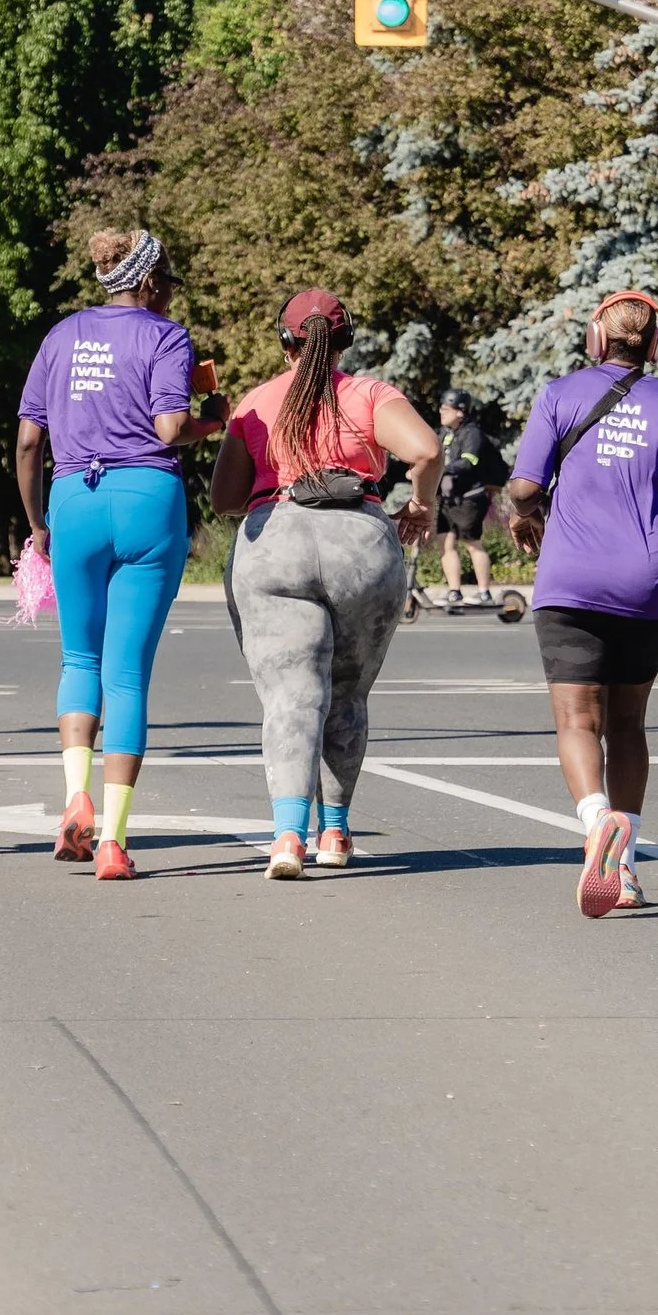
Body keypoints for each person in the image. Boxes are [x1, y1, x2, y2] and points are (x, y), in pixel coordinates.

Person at [506, 291, 658, 918]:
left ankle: (595, 819)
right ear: (654, 344)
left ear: (596, 339)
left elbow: (526, 486)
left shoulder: (560, 395)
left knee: (579, 722)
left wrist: (523, 516)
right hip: (648, 582)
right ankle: (625, 867)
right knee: (629, 722)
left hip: (571, 580)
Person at [14, 228, 227, 880]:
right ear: (152, 279)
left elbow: (28, 442)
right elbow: (169, 427)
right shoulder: (165, 335)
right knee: (126, 672)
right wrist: (211, 422)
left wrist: (38, 523)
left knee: (79, 655)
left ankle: (73, 795)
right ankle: (112, 839)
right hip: (146, 497)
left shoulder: (61, 336)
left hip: (75, 494)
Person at [212, 290, 441, 878]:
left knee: (292, 696)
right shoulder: (369, 395)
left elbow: (225, 499)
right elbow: (426, 450)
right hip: (359, 541)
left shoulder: (257, 402)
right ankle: (335, 832)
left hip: (277, 538)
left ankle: (288, 836)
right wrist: (420, 503)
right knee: (348, 694)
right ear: (345, 342)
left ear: (285, 342)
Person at [435, 387, 505, 602]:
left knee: (471, 542)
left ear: (460, 412)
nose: (441, 412)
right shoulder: (446, 433)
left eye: (446, 409)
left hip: (469, 497)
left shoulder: (472, 433)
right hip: (448, 498)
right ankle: (454, 591)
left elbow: (469, 461)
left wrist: (443, 469)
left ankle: (484, 592)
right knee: (445, 543)